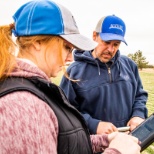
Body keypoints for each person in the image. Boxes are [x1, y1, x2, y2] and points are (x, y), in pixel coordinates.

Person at [0, 1, 141, 153]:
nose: (69, 58)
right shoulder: (25, 107)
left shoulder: (36, 89)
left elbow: (63, 142)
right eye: (67, 47)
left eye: (116, 44)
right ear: (37, 42)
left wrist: (105, 141)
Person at [60, 15, 148, 135]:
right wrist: (93, 125)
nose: (111, 49)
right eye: (106, 42)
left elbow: (139, 95)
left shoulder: (129, 65)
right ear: (94, 36)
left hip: (126, 141)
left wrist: (138, 115)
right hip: (93, 146)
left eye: (116, 44)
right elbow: (65, 112)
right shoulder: (73, 72)